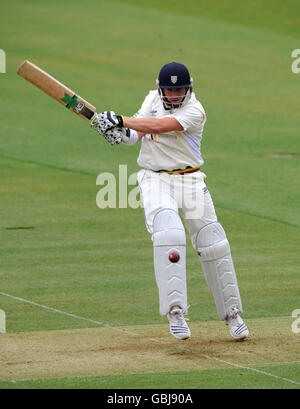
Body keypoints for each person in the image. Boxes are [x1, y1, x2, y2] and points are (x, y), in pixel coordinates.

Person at [91, 62, 249, 341]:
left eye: (179, 90)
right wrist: (118, 132)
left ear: (188, 89)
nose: (174, 95)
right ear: (160, 87)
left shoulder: (195, 111)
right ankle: (176, 312)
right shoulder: (151, 99)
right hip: (156, 179)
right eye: (169, 89)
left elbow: (160, 125)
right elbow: (137, 134)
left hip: (190, 179)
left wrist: (121, 120)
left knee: (213, 242)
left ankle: (232, 313)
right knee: (169, 233)